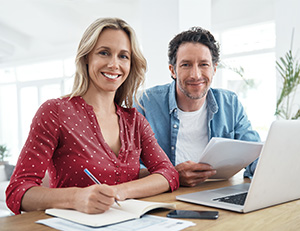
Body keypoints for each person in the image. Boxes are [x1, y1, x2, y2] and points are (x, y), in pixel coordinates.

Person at [6, 18, 179, 215]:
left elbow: (168, 173)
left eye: (123, 56)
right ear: (87, 57)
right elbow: (17, 191)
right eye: (104, 53)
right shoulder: (55, 112)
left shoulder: (135, 121)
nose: (114, 64)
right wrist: (75, 198)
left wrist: (119, 191)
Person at [135, 27, 261, 187]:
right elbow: (130, 167)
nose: (196, 74)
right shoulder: (145, 103)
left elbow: (256, 156)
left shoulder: (230, 104)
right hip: (165, 196)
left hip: (217, 192)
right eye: (186, 65)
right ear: (172, 70)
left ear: (214, 68)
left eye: (203, 64)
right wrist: (172, 175)